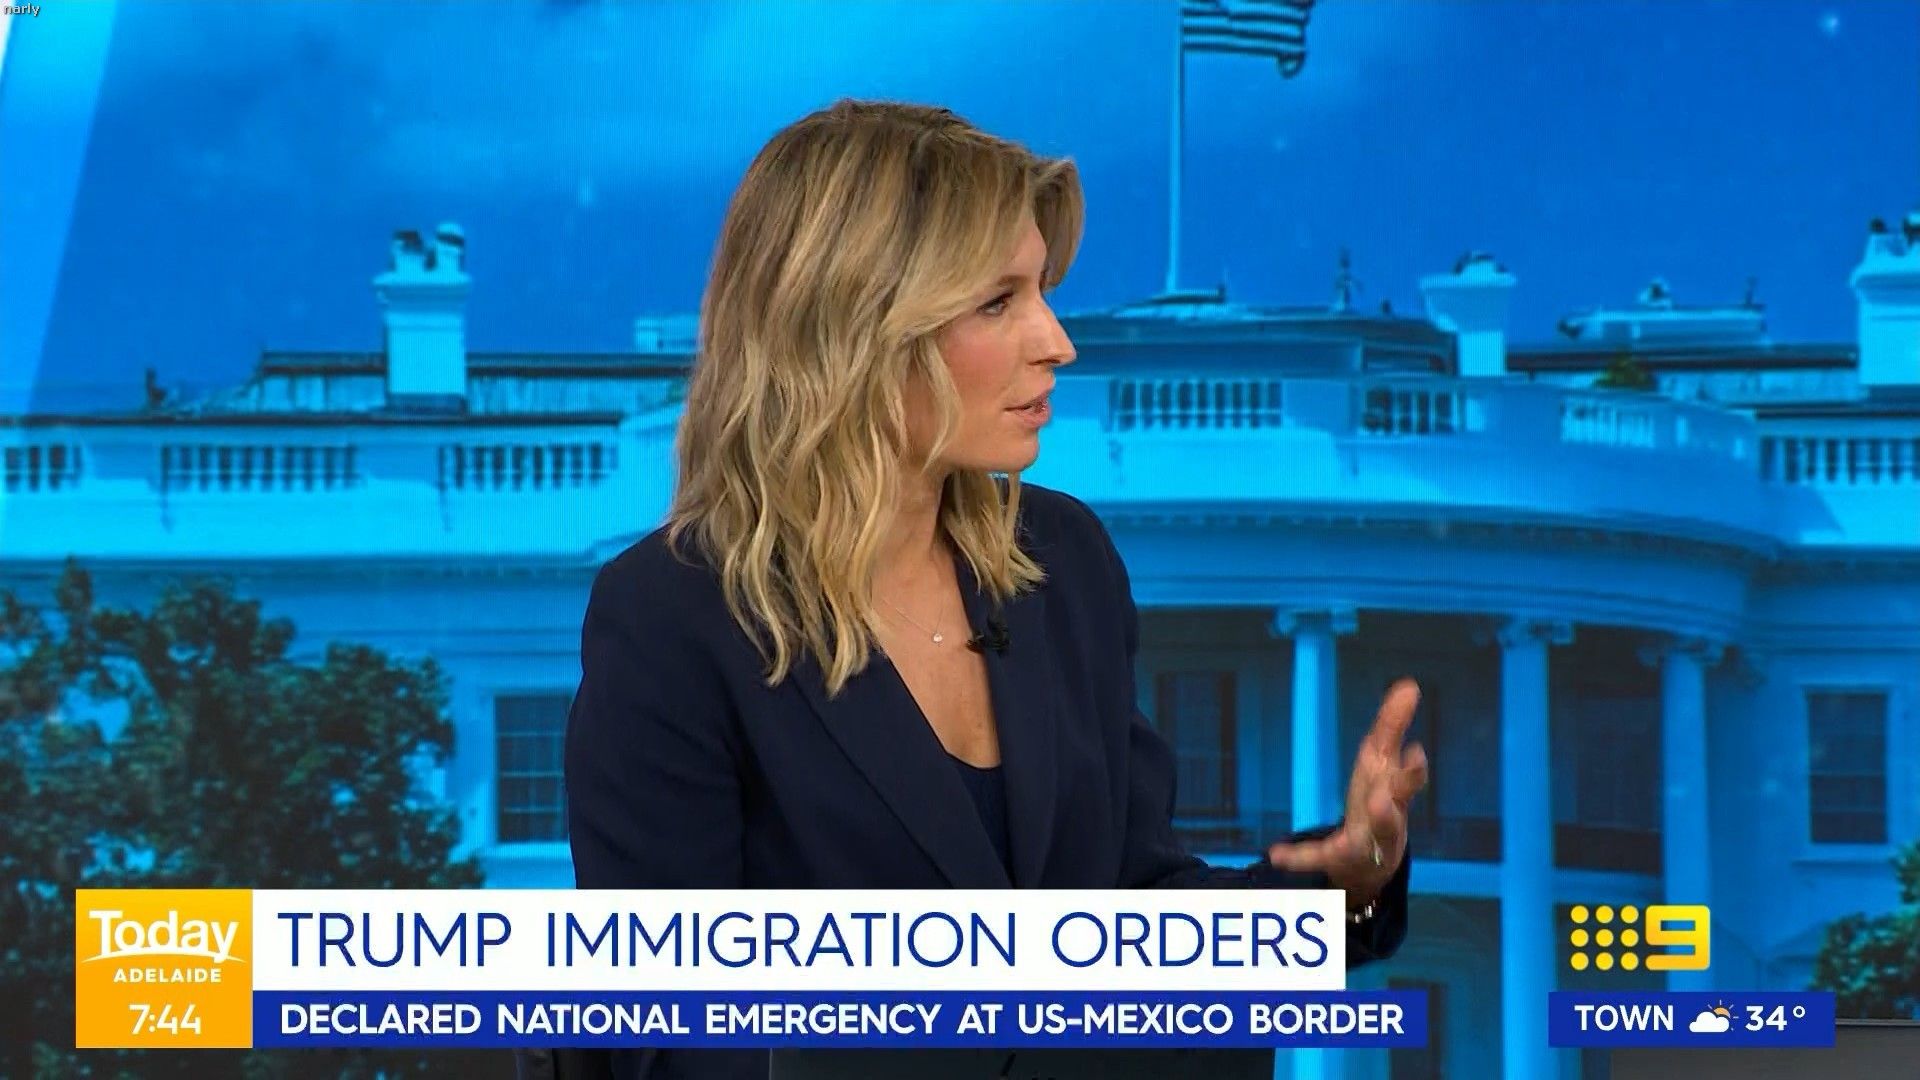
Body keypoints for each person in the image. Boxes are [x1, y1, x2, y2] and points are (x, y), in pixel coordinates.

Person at [563, 99, 1430, 1080]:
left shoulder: (1063, 562)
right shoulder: (673, 620)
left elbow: (1136, 915)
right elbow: (666, 1039)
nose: (1056, 342)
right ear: (856, 328)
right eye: (998, 303)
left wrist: (1341, 888)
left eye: (1043, 293)